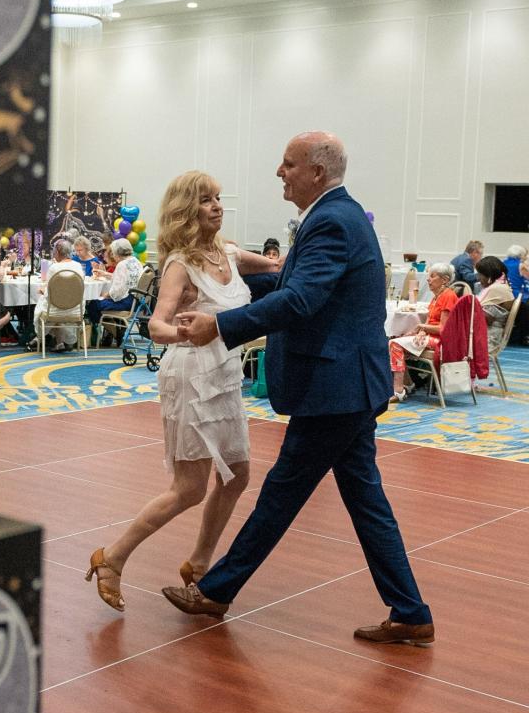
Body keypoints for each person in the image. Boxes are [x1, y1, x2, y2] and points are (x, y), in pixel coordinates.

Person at [161, 131, 433, 647]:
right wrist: (223, 284)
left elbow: (302, 299)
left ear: (317, 172)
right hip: (350, 385)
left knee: (281, 495)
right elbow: (297, 288)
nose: (279, 172)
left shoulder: (329, 220)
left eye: (288, 164)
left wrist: (221, 324)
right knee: (365, 500)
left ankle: (218, 590)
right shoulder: (341, 215)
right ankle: (411, 611)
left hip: (335, 389)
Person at [85, 171, 278, 613]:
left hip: (225, 375)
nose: (216, 205)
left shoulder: (228, 252)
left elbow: (273, 266)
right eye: (205, 200)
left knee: (238, 475)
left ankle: (199, 561)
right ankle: (112, 558)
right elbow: (155, 325)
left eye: (217, 198)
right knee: (189, 487)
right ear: (186, 211)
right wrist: (183, 335)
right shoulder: (179, 264)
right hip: (190, 374)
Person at [388, 261, 458, 402]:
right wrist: (421, 331)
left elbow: (443, 329)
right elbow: (430, 321)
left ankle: (399, 390)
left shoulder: (448, 297)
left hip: (442, 341)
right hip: (432, 336)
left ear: (444, 280)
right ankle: (408, 383)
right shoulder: (437, 297)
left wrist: (422, 328)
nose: (428, 279)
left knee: (394, 344)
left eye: (433, 276)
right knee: (397, 338)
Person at [84, 237, 143, 347]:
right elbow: (127, 279)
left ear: (117, 252)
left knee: (93, 305)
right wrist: (106, 274)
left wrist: (104, 295)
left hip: (125, 302)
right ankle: (116, 329)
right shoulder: (136, 262)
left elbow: (117, 292)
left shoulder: (122, 265)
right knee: (99, 302)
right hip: (136, 301)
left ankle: (115, 332)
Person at [32, 239, 84, 351]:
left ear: (58, 251)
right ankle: (59, 342)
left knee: (42, 304)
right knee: (58, 304)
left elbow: (48, 294)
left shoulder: (54, 268)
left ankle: (38, 338)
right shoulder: (78, 266)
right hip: (74, 310)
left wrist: (42, 291)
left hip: (54, 311)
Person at [474, 255, 514, 355]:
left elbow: (484, 318)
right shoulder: (502, 286)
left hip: (488, 339)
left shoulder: (495, 289)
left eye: (480, 274)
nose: (478, 278)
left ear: (489, 275)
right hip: (492, 335)